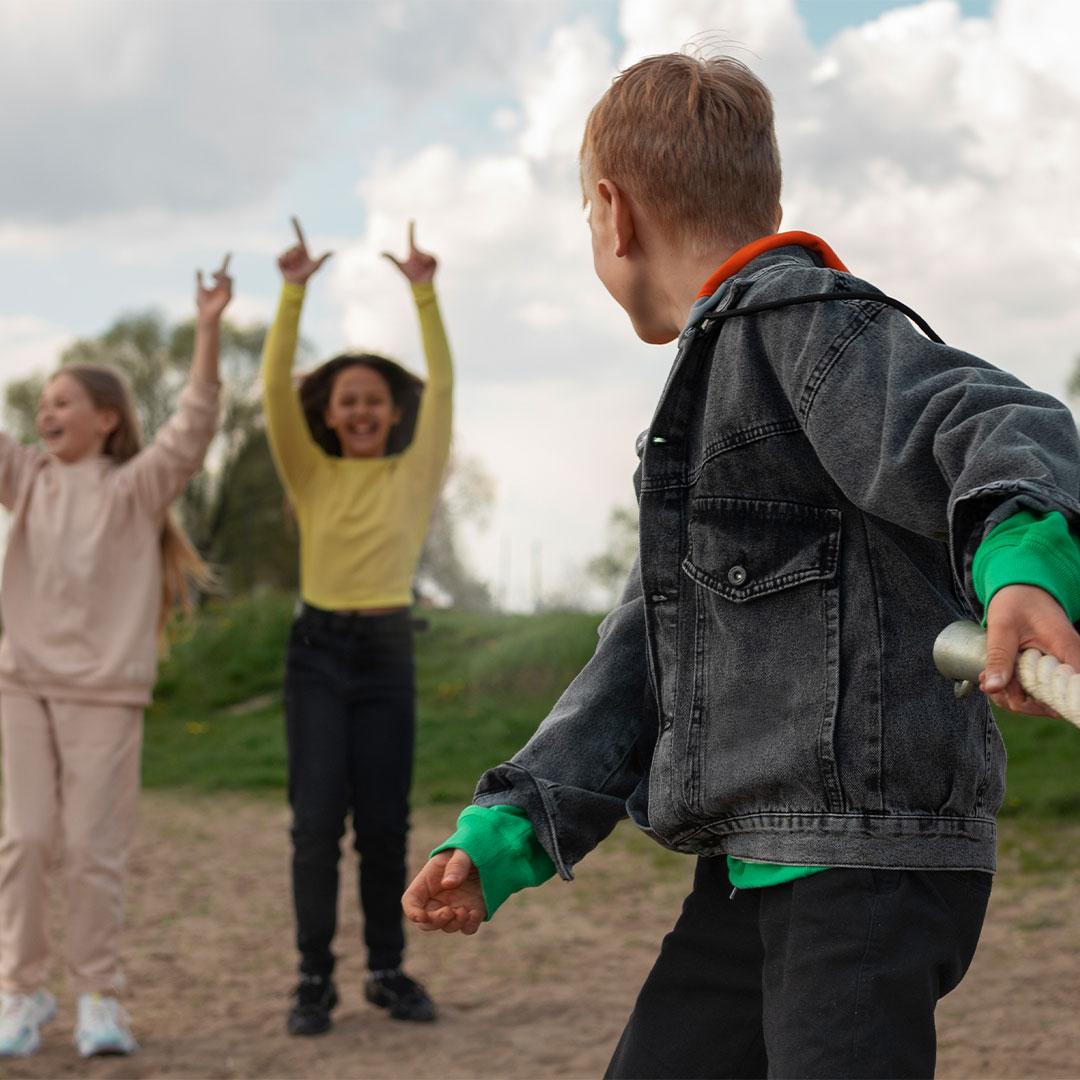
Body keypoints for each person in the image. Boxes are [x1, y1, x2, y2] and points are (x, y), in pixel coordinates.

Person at [403, 52, 1080, 1079]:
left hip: (864, 865)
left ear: (611, 213)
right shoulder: (701, 405)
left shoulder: (806, 325)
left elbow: (998, 422)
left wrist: (1024, 565)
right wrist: (506, 835)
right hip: (750, 863)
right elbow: (638, 658)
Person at [0, 257, 231, 1059]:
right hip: (21, 685)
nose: (45, 410)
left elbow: (194, 422)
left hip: (104, 693)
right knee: (26, 840)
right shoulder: (25, 480)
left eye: (63, 400)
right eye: (42, 402)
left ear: (105, 419)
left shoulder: (136, 489)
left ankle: (100, 998)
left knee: (92, 849)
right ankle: (21, 995)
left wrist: (207, 329)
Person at [262, 218, 452, 1036]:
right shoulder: (309, 473)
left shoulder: (416, 472)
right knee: (314, 830)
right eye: (350, 400)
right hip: (317, 657)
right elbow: (273, 390)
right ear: (331, 415)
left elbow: (441, 388)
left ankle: (386, 970)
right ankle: (313, 981)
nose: (364, 409)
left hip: (386, 654)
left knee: (383, 826)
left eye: (376, 398)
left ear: (391, 411)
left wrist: (424, 291)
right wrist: (292, 291)